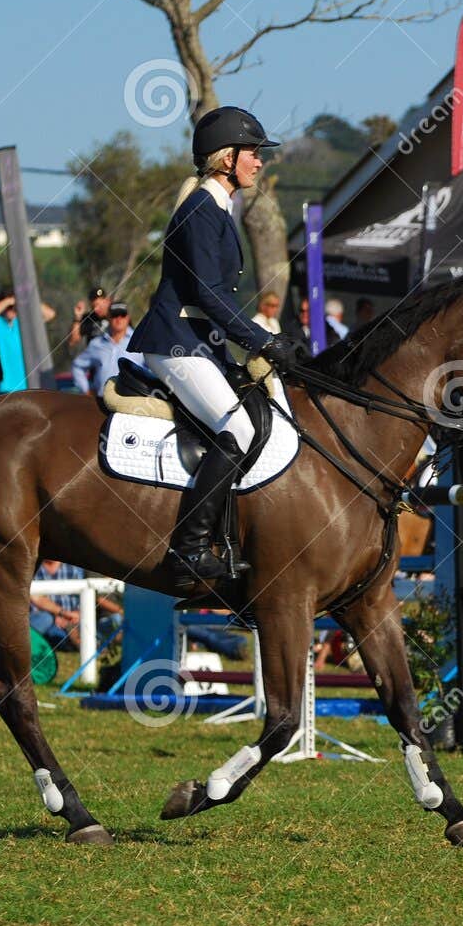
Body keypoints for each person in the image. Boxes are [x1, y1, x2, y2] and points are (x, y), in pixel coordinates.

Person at [126, 105, 295, 585]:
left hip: (200, 343)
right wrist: (262, 340)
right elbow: (208, 294)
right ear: (226, 159)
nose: (259, 162)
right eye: (253, 153)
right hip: (177, 344)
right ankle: (189, 550)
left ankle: (227, 539)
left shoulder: (217, 208)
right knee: (237, 430)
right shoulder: (202, 209)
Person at [29, 559, 123, 650]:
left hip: (74, 619)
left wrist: (77, 614)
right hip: (47, 619)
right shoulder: (33, 567)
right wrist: (60, 614)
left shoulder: (75, 568)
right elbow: (36, 599)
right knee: (46, 619)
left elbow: (86, 595)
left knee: (92, 627)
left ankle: (87, 644)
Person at [71, 301, 138, 395]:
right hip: (101, 403)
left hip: (133, 404)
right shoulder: (97, 343)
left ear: (128, 317)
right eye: (115, 315)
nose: (119, 319)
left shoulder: (139, 341)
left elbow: (151, 370)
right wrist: (86, 389)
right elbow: (77, 366)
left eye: (122, 315)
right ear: (108, 318)